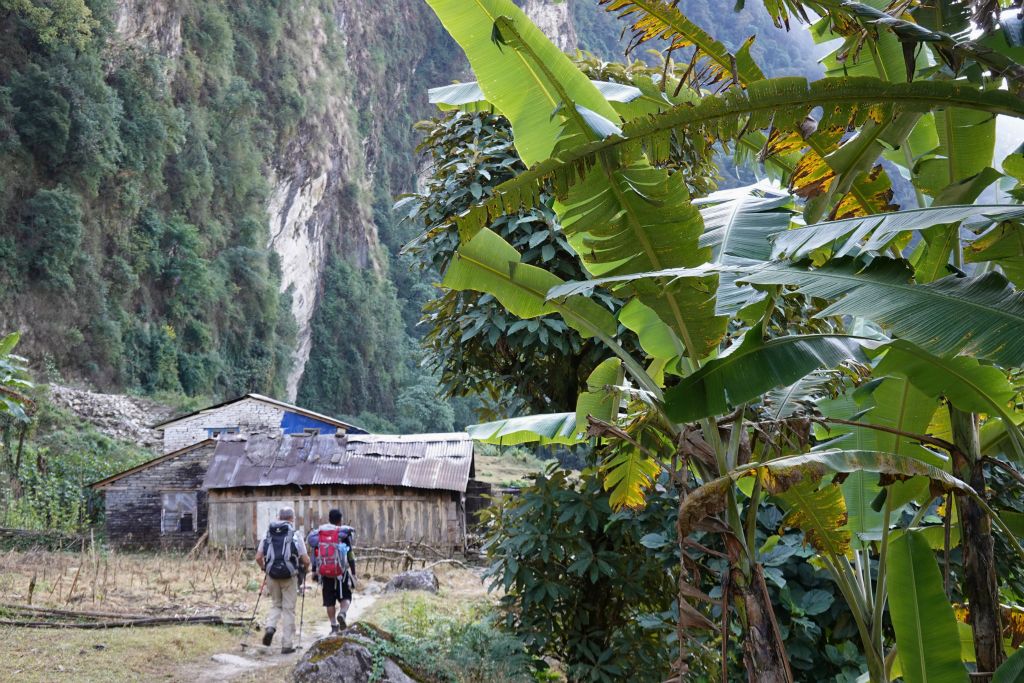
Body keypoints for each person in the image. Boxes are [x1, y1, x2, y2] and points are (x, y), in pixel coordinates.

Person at [255, 506, 310, 653]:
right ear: (292, 519)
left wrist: (264, 568)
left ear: (279, 517)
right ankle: (287, 645)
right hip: (289, 576)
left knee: (276, 605)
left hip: (272, 575)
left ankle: (270, 628)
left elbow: (258, 557)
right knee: (288, 609)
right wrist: (306, 568)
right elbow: (305, 559)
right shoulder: (295, 534)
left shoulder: (268, 533)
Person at [307, 508, 356, 633]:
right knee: (346, 596)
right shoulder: (342, 533)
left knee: (329, 601)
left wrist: (314, 570)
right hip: (341, 572)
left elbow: (315, 553)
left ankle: (334, 626)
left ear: (329, 519)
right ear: (340, 520)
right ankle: (343, 613)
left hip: (325, 573)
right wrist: (354, 572)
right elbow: (350, 555)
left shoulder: (320, 534)